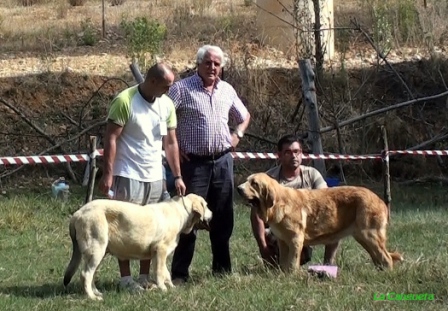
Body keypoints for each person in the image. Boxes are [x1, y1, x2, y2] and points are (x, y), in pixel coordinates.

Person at [98, 62, 186, 292]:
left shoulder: (167, 105)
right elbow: (111, 139)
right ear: (153, 81)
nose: (169, 90)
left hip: (156, 175)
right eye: (166, 86)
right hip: (128, 173)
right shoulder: (124, 101)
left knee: (153, 228)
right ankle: (126, 279)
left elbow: (171, 142)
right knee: (125, 228)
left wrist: (177, 175)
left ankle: (145, 277)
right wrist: (108, 174)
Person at [167, 44, 251, 284]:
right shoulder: (182, 89)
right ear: (199, 64)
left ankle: (222, 271)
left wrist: (238, 135)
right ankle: (180, 274)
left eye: (217, 63)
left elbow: (244, 116)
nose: (212, 67)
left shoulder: (227, 90)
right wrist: (173, 146)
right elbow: (160, 116)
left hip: (223, 162)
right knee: (188, 219)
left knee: (223, 217)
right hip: (194, 165)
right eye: (208, 63)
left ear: (221, 66)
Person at [250, 134, 340, 267]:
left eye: (296, 152)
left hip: (308, 227)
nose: (293, 156)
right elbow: (256, 214)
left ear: (301, 154)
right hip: (277, 231)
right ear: (279, 155)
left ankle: (328, 265)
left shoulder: (312, 174)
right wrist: (263, 248)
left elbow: (327, 199)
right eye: (288, 152)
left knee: (336, 222)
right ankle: (274, 260)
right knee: (277, 265)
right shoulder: (268, 179)